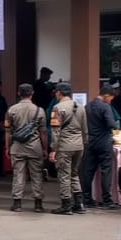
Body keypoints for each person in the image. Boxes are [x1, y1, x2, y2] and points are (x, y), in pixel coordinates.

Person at [6, 83, 47, 213]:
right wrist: (45, 148)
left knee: (18, 174)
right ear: (32, 93)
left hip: (17, 147)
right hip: (35, 147)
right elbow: (43, 132)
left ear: (19, 93)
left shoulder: (11, 110)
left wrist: (7, 147)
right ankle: (38, 204)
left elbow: (7, 131)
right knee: (36, 175)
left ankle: (17, 203)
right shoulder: (39, 111)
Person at [49, 83, 87, 215]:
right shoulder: (81, 107)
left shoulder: (57, 108)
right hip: (79, 145)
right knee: (74, 174)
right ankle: (79, 203)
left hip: (65, 145)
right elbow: (84, 129)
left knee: (64, 175)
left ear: (59, 92)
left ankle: (66, 205)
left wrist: (53, 149)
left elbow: (55, 131)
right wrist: (84, 143)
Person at [81, 86, 120, 210]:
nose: (110, 101)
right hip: (103, 142)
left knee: (88, 171)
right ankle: (106, 200)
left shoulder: (88, 106)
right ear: (107, 96)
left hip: (90, 142)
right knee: (106, 170)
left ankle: (87, 198)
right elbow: (111, 124)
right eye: (111, 98)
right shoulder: (105, 106)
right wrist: (114, 125)